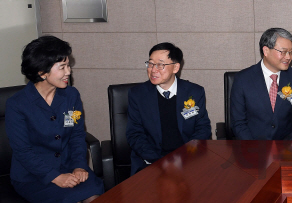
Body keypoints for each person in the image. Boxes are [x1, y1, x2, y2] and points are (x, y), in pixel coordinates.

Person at [6, 35, 103, 203]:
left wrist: (79, 165)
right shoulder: (17, 104)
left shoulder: (71, 96)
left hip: (69, 168)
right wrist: (55, 177)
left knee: (96, 195)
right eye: (62, 67)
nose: (69, 72)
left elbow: (76, 134)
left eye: (68, 66)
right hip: (33, 176)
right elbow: (23, 151)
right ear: (42, 72)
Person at [126, 42, 212, 175]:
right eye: (150, 63)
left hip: (188, 160)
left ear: (176, 67)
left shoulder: (194, 92)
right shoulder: (137, 95)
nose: (153, 70)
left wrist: (183, 158)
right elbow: (135, 134)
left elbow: (203, 129)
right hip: (151, 163)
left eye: (160, 65)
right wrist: (160, 161)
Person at [230, 28, 292, 140]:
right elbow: (238, 123)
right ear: (266, 51)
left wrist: (289, 149)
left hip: (287, 150)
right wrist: (253, 150)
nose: (288, 57)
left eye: (291, 52)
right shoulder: (243, 79)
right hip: (252, 148)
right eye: (283, 52)